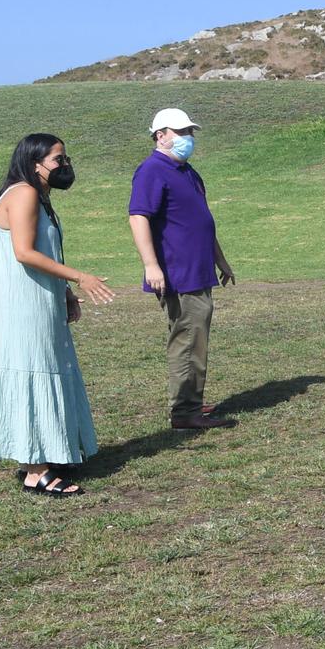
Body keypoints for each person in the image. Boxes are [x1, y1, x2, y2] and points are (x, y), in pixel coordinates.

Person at [0, 134, 114, 494]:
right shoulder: (24, 193)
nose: (65, 166)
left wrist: (64, 291)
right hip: (19, 305)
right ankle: (35, 470)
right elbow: (24, 252)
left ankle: (45, 452)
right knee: (31, 367)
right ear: (34, 162)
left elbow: (42, 251)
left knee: (47, 363)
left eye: (65, 158)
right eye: (58, 160)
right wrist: (80, 277)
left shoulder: (36, 196)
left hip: (36, 298)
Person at [128, 108, 236, 431]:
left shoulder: (188, 172)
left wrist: (220, 259)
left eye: (190, 132)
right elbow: (138, 217)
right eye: (181, 131)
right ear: (160, 136)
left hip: (199, 269)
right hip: (178, 273)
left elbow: (203, 221)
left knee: (195, 337)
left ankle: (191, 400)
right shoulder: (151, 171)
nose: (188, 138)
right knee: (188, 338)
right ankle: (185, 411)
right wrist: (151, 265)